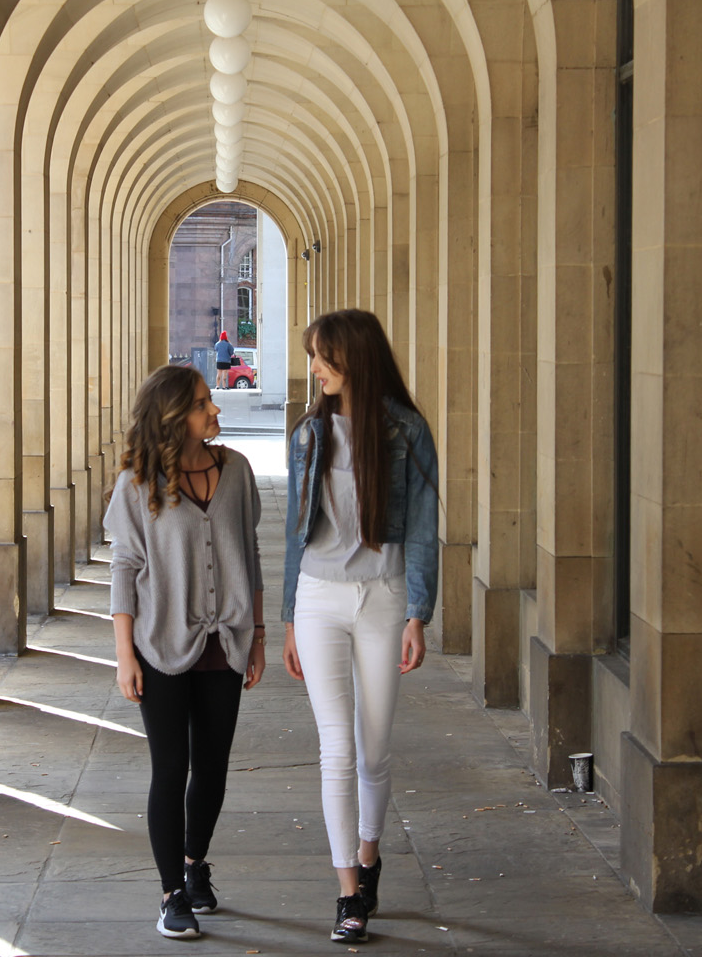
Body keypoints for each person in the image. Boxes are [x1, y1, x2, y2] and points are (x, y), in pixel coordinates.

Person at [281, 308, 439, 944]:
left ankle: (369, 861)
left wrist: (418, 614)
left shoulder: (406, 432)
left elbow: (425, 527)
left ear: (355, 359)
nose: (313, 368)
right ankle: (348, 893)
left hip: (383, 597)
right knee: (337, 750)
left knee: (373, 749)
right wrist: (290, 615)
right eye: (311, 356)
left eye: (322, 356)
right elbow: (297, 533)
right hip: (320, 596)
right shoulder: (306, 434)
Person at [104, 364, 268, 940]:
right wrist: (125, 655)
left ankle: (196, 862)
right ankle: (172, 892)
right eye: (204, 404)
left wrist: (259, 633)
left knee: (214, 767)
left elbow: (248, 552)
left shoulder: (238, 471)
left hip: (225, 640)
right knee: (170, 768)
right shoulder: (136, 484)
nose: (215, 411)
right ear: (175, 416)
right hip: (159, 644)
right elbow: (125, 570)